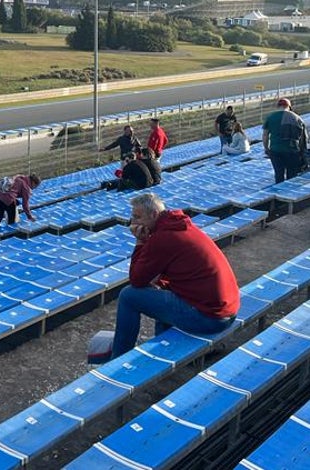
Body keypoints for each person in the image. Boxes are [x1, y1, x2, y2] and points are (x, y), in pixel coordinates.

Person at [111, 194, 240, 359]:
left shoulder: (163, 237)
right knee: (162, 292)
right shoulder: (179, 225)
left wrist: (140, 242)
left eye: (137, 217)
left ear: (153, 215)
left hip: (211, 318)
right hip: (226, 309)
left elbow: (136, 280)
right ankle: (164, 352)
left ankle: (118, 357)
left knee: (128, 296)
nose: (133, 222)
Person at [262, 97, 308, 183]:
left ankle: (279, 191)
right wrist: (302, 153)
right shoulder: (297, 118)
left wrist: (266, 148)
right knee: (292, 176)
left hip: (275, 150)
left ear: (278, 106)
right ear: (289, 107)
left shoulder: (270, 117)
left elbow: (265, 135)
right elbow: (303, 139)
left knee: (279, 174)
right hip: (292, 151)